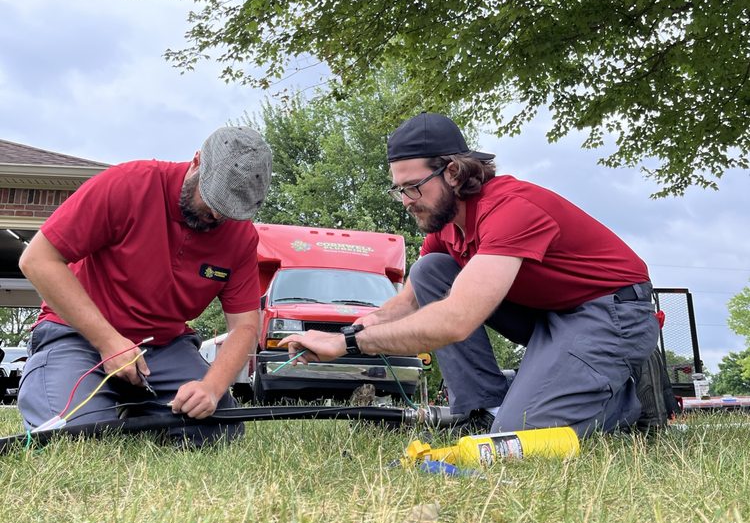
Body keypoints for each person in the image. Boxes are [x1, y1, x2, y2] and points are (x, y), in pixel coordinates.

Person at [281, 112, 660, 436]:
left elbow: (456, 321)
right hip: (548, 314)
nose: (406, 202)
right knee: (432, 270)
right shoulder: (444, 224)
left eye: (414, 188)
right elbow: (406, 303)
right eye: (399, 190)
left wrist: (350, 347)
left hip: (610, 313)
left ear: (454, 172)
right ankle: (481, 410)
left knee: (518, 434)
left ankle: (622, 399)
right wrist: (341, 335)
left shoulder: (510, 209)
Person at [18, 126, 272, 445]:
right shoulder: (128, 184)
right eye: (213, 200)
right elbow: (38, 259)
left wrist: (212, 387)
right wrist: (110, 342)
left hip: (164, 347)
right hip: (79, 336)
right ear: (197, 162)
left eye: (230, 212)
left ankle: (139, 411)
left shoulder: (241, 237)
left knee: (217, 430)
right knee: (75, 437)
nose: (217, 215)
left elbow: (246, 327)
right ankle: (90, 400)